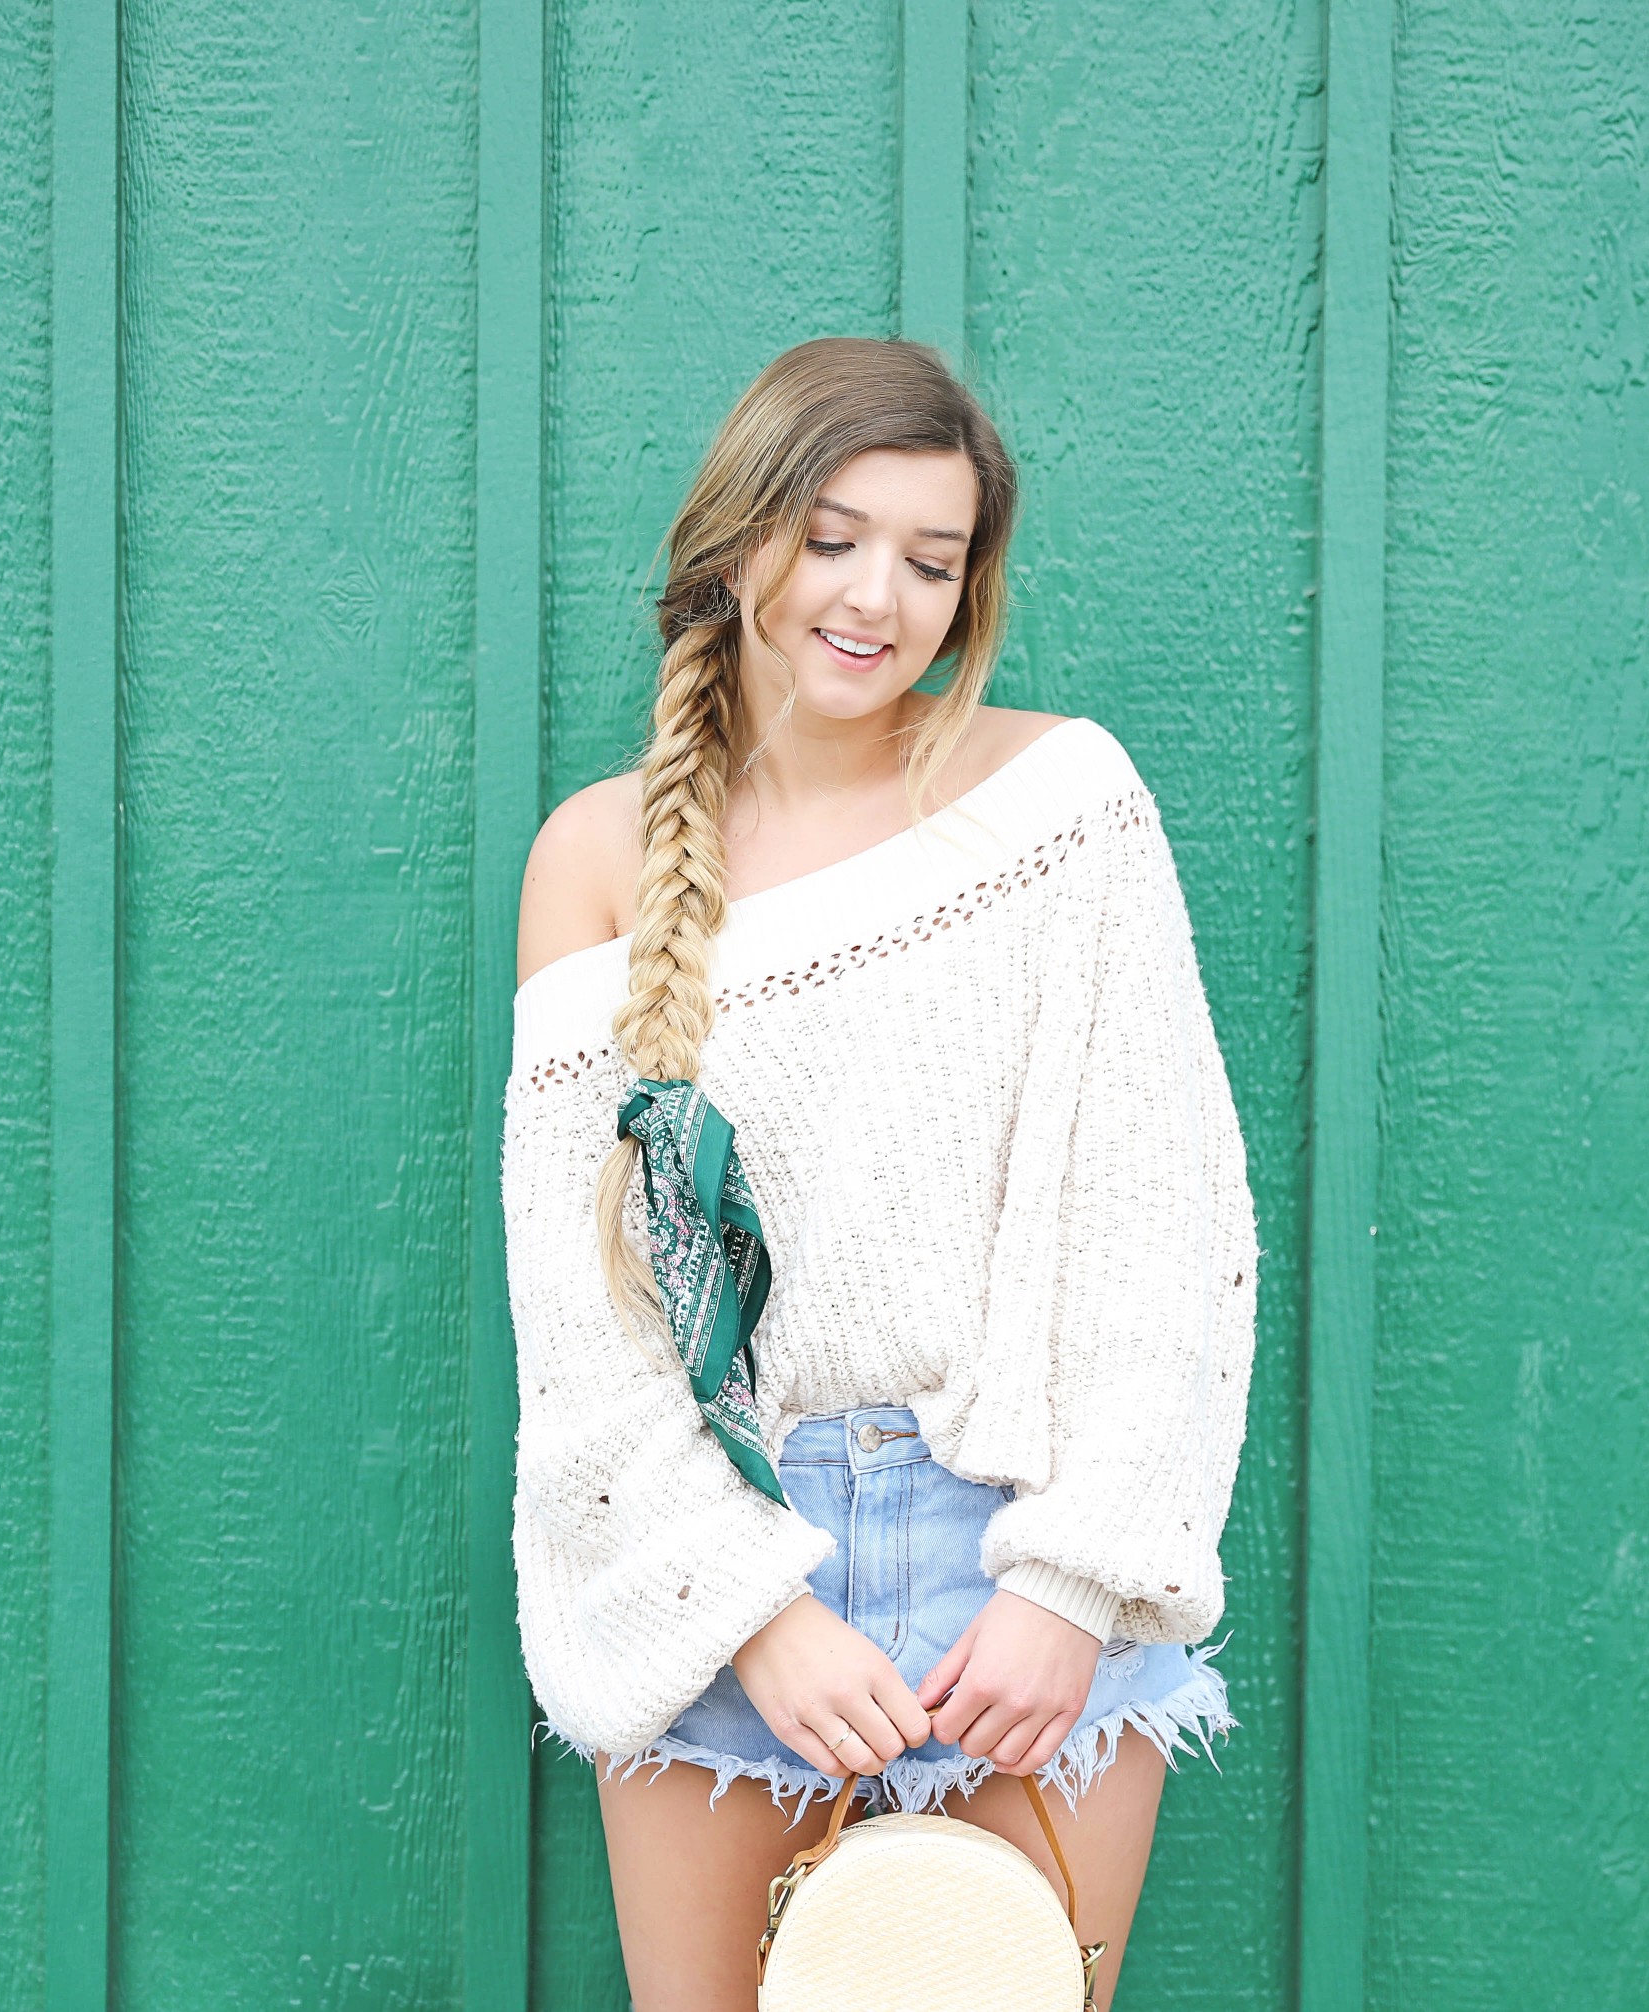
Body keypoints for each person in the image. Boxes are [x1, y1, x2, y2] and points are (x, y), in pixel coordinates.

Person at [504, 334, 1258, 2010]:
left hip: (1022, 1552)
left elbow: (1161, 1224)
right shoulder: (596, 854)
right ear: (739, 541)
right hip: (723, 1559)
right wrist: (746, 1612)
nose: (877, 597)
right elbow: (583, 1310)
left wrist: (1070, 1582)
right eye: (834, 538)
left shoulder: (1060, 802)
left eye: (932, 560)